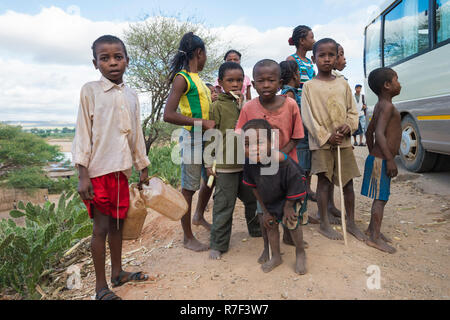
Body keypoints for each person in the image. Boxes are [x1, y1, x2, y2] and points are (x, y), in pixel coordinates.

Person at [72, 35, 150, 300]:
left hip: (121, 171)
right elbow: (82, 133)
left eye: (118, 57)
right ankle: (100, 288)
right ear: (96, 64)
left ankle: (118, 273)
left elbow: (136, 133)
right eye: (105, 58)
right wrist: (83, 173)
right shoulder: (90, 91)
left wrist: (142, 165)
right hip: (97, 173)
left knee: (118, 225)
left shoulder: (131, 95)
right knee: (101, 229)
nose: (112, 63)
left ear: (127, 60)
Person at [236, 59, 305, 261]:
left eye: (271, 80)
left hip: (286, 169)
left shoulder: (291, 104)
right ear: (254, 84)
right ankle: (268, 249)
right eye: (260, 81)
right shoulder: (249, 108)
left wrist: (277, 158)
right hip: (261, 172)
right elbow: (240, 134)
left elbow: (296, 136)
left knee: (291, 213)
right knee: (265, 216)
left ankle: (295, 245)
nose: (266, 85)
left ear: (280, 82)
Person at [301, 38, 366, 242]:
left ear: (337, 57)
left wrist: (349, 126)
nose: (327, 59)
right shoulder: (309, 87)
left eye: (331, 55)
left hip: (344, 143)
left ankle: (352, 222)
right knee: (324, 182)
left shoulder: (344, 84)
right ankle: (324, 224)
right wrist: (326, 135)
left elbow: (352, 111)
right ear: (314, 59)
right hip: (322, 144)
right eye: (322, 55)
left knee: (347, 184)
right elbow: (308, 117)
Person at [163, 32, 215, 251]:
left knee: (211, 178)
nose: (206, 60)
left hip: (205, 137)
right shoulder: (182, 78)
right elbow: (168, 114)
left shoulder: (198, 80)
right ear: (199, 53)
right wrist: (201, 122)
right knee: (189, 188)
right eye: (205, 55)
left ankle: (198, 216)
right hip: (192, 137)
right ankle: (187, 238)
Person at [206, 62, 261, 260]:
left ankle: (256, 230)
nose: (235, 84)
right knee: (223, 204)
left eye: (239, 80)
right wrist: (207, 163)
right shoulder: (217, 107)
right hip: (226, 166)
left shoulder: (248, 106)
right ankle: (218, 244)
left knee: (252, 200)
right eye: (230, 81)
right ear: (220, 83)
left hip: (246, 165)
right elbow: (210, 136)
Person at [242, 119, 307, 275]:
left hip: (290, 198)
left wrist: (288, 206)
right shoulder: (249, 163)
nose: (253, 149)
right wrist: (265, 210)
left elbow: (297, 183)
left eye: (259, 142)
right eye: (247, 144)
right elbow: (254, 188)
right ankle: (275, 255)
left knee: (292, 223)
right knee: (269, 224)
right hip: (268, 198)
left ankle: (300, 252)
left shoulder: (284, 163)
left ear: (272, 142)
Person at [362, 67, 402, 254]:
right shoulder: (388, 107)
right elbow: (378, 133)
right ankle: (374, 238)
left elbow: (369, 132)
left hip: (376, 158)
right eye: (396, 80)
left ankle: (372, 229)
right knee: (381, 199)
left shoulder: (379, 105)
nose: (399, 83)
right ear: (387, 85)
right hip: (382, 159)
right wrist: (389, 159)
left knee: (379, 197)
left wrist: (373, 153)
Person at [286, 25, 317, 202]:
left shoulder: (309, 62)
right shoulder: (292, 60)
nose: (314, 40)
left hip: (310, 108)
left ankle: (308, 188)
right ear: (302, 41)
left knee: (309, 149)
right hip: (298, 108)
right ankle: (300, 188)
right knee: (301, 149)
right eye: (311, 37)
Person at [279, 60, 309, 225]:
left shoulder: (289, 92)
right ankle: (297, 217)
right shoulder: (289, 93)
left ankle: (300, 214)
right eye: (299, 73)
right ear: (295, 74)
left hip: (297, 143)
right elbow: (290, 122)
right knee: (299, 178)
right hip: (297, 145)